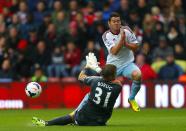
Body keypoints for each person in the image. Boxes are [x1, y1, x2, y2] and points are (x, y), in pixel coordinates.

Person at [32, 55, 122, 126]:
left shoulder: (96, 80)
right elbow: (114, 80)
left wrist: (87, 67)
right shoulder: (117, 87)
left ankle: (47, 123)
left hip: (83, 118)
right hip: (101, 121)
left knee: (73, 114)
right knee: (90, 96)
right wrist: (99, 71)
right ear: (112, 76)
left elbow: (80, 77)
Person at [102, 12, 141, 111]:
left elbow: (136, 46)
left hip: (127, 64)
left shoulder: (127, 30)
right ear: (109, 23)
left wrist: (126, 44)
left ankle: (131, 99)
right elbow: (114, 51)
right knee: (102, 85)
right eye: (114, 21)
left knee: (138, 75)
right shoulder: (106, 35)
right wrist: (121, 41)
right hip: (113, 65)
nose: (116, 23)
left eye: (118, 21)